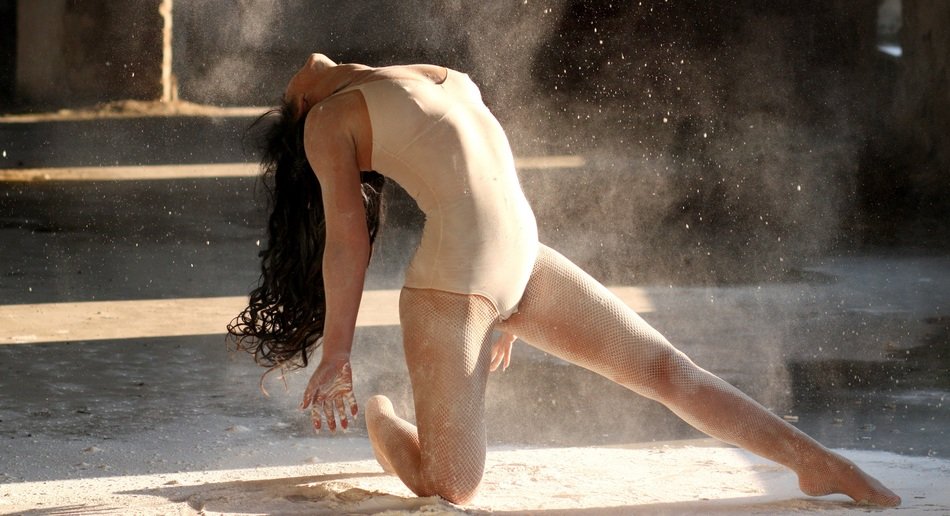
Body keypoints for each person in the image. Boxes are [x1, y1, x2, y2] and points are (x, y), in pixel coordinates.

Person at [228, 53, 901, 507]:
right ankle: (383, 418)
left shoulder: (419, 78)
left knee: (670, 370)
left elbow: (488, 185)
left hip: (521, 261)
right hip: (453, 288)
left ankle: (814, 461)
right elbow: (347, 245)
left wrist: (510, 301)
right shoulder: (338, 114)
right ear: (304, 103)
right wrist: (340, 351)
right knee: (452, 485)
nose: (294, 81)